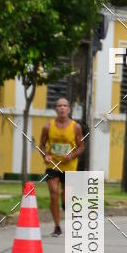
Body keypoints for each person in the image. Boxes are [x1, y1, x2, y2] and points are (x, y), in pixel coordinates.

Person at [39, 98, 84, 236]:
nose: (62, 108)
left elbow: (81, 147)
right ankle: (57, 226)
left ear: (69, 109)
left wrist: (71, 156)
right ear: (56, 109)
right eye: (59, 106)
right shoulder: (48, 127)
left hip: (69, 166)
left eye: (65, 105)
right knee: (54, 193)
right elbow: (41, 145)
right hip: (53, 165)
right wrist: (45, 155)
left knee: (66, 199)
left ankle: (68, 210)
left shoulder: (76, 127)